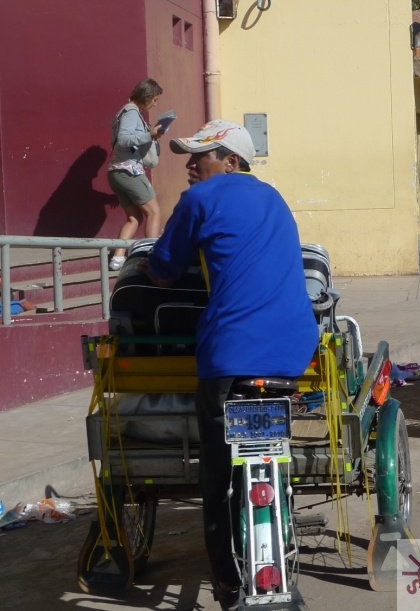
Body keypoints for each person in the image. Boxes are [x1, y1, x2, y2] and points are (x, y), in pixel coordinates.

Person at [140, 120, 319, 610]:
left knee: (217, 479)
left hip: (232, 354)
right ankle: (280, 544)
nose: (190, 164)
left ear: (231, 162)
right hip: (292, 351)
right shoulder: (275, 199)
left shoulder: (200, 201)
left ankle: (225, 585)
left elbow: (162, 269)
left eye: (201, 155)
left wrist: (142, 269)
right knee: (271, 456)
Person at [107, 78, 167, 271]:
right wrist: (150, 135)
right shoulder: (132, 112)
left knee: (134, 218)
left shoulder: (125, 112)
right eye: (154, 99)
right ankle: (150, 255)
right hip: (129, 170)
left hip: (117, 171)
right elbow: (124, 139)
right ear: (147, 96)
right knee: (154, 212)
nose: (155, 104)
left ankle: (117, 259)